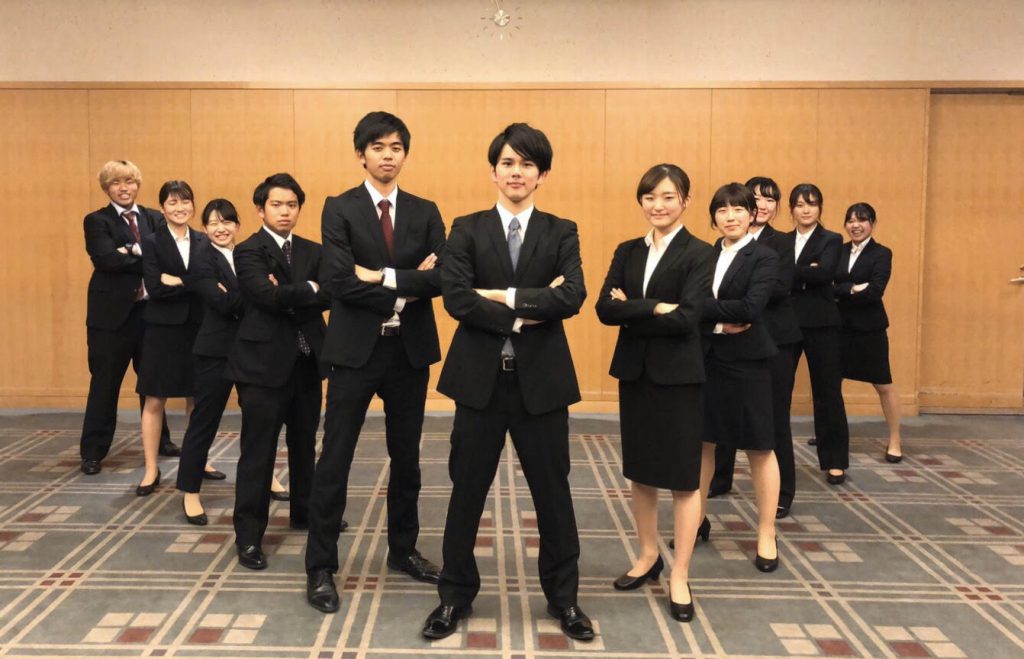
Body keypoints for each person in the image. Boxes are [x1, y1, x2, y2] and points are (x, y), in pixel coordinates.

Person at [422, 123, 594, 642]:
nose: (516, 172)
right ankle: (454, 596)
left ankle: (564, 599)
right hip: (480, 383)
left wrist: (499, 296)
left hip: (542, 385)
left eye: (527, 164)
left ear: (542, 175)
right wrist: (528, 309)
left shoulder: (561, 230)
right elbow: (456, 298)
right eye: (507, 163)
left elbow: (573, 296)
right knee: (466, 492)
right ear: (493, 171)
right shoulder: (466, 228)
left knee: (553, 495)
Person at [305, 112, 447, 613]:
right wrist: (408, 282)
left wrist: (380, 276)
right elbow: (338, 282)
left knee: (407, 457)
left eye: (396, 147)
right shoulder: (339, 207)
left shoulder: (425, 210)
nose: (388, 155)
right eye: (378, 147)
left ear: (405, 154)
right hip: (354, 351)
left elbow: (444, 277)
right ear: (361, 154)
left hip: (408, 352)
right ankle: (320, 564)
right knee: (335, 457)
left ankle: (403, 549)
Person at [595, 164, 713, 622]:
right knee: (641, 474)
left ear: (685, 200)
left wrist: (634, 310)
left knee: (683, 479)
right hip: (636, 375)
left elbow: (687, 318)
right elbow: (605, 309)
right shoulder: (628, 250)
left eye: (667, 197)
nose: (657, 205)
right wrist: (655, 307)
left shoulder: (699, 253)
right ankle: (648, 556)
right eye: (649, 197)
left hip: (679, 378)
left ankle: (680, 573)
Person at [225, 173, 327, 570]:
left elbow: (331, 292)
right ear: (260, 209)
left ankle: (303, 512)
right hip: (261, 367)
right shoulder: (248, 250)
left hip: (307, 363)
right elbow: (264, 295)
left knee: (305, 445)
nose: (285, 211)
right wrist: (309, 288)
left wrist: (296, 291)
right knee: (258, 452)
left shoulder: (313, 249)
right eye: (277, 205)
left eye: (292, 205)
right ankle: (249, 536)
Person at [699, 183, 781, 573]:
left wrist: (704, 309)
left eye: (738, 209)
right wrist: (716, 320)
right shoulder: (703, 254)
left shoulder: (764, 256)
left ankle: (766, 532)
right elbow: (688, 305)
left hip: (748, 363)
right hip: (707, 359)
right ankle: (696, 519)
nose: (730, 217)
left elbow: (750, 308)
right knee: (703, 443)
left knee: (759, 447)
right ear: (713, 216)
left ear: (752, 214)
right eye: (722, 210)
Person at [710, 176, 802, 518]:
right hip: (726, 341)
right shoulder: (718, 247)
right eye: (757, 198)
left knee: (772, 420)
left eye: (769, 199)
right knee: (718, 417)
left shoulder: (781, 243)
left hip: (773, 339)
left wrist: (731, 301)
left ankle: (783, 492)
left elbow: (776, 289)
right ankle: (720, 479)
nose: (763, 205)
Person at [80, 160, 179, 476]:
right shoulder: (97, 221)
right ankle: (93, 451)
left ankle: (161, 440)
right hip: (111, 320)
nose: (124, 188)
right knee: (105, 384)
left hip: (151, 315)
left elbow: (168, 256)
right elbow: (106, 260)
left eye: (129, 181)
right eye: (116, 183)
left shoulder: (153, 217)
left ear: (138, 184)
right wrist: (144, 254)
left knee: (154, 382)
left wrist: (129, 250)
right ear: (106, 188)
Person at [135, 180, 206, 496]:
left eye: (185, 201)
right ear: (162, 208)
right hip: (162, 330)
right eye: (173, 202)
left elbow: (208, 283)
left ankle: (197, 461)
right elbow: (155, 288)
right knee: (154, 399)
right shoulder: (152, 242)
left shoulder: (204, 239)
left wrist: (180, 280)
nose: (180, 208)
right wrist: (192, 283)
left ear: (193, 204)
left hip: (199, 327)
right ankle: (151, 468)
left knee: (197, 399)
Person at [175, 199, 244, 524]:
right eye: (213, 223)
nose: (221, 228)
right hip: (215, 350)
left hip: (251, 348)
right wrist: (256, 291)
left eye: (226, 222)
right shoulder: (201, 260)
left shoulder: (248, 255)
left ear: (237, 225)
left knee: (261, 420)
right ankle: (190, 491)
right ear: (204, 229)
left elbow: (238, 297)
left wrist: (237, 294)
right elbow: (221, 302)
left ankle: (267, 478)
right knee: (204, 421)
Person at [787, 184, 850, 485]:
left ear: (820, 208)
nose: (806, 209)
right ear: (791, 209)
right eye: (800, 204)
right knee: (778, 391)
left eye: (811, 204)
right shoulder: (782, 240)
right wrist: (806, 271)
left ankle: (835, 460)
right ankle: (775, 460)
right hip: (787, 322)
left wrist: (793, 271)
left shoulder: (832, 239)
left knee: (827, 393)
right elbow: (776, 274)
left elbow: (825, 273)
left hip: (822, 323)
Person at [835, 203, 902, 461]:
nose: (856, 225)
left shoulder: (882, 253)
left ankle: (895, 440)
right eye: (851, 220)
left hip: (869, 329)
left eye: (862, 220)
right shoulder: (838, 250)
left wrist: (843, 289)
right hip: (839, 327)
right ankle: (831, 432)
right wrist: (853, 288)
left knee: (883, 384)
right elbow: (827, 287)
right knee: (831, 383)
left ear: (872, 223)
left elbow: (875, 291)